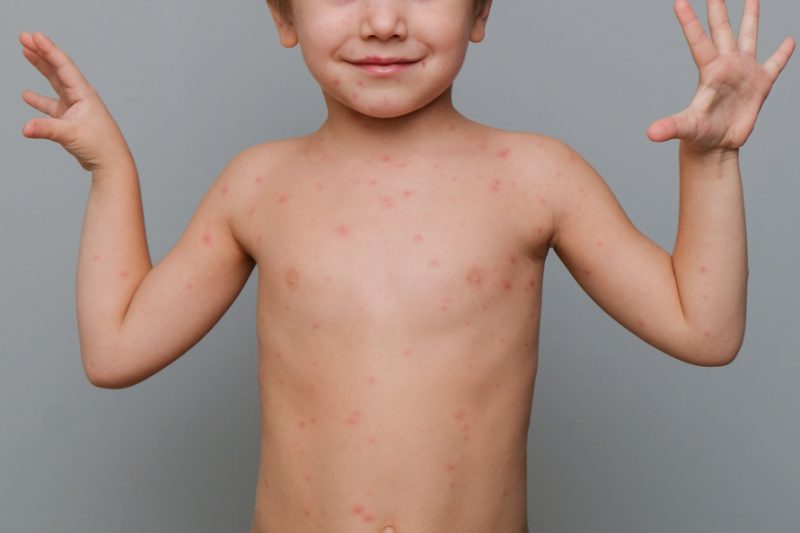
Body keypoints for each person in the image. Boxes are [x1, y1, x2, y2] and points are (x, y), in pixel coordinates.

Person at [19, 0, 794, 531]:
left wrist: (712, 159)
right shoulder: (257, 185)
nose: (383, 20)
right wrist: (111, 170)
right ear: (283, 15)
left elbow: (705, 326)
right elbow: (115, 348)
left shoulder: (536, 177)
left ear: (481, 11)